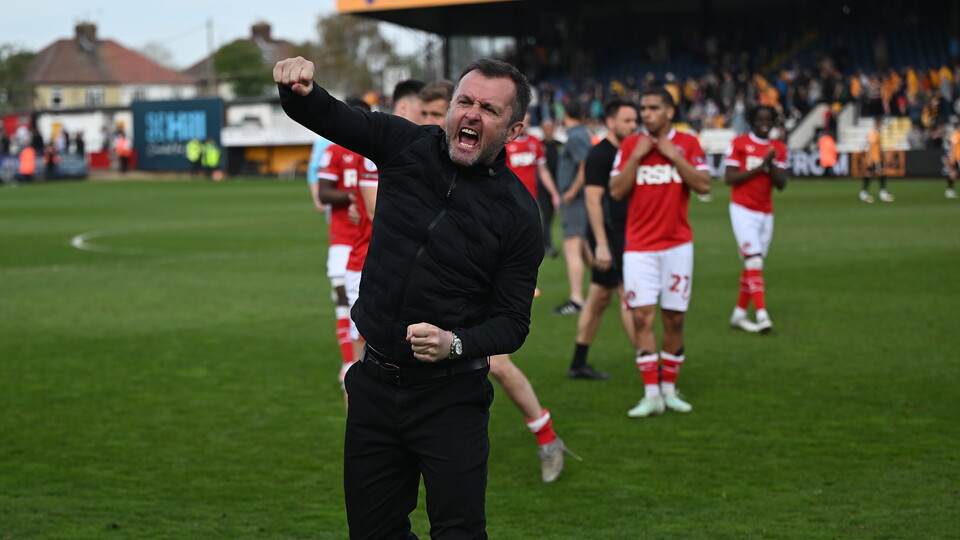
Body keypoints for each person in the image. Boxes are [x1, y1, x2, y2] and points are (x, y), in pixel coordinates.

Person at [275, 57, 544, 538]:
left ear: (514, 129)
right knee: (373, 532)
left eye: (488, 108)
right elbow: (329, 114)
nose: (470, 114)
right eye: (464, 101)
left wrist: (454, 342)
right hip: (374, 385)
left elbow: (512, 322)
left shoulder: (519, 215)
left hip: (451, 398)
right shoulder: (405, 145)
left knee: (457, 532)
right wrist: (298, 87)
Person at [420, 81, 573, 484]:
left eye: (439, 113)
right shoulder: (422, 159)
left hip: (479, 282)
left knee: (498, 365)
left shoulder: (497, 178)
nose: (435, 122)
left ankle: (547, 438)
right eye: (428, 114)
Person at [609, 87, 711, 418]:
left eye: (653, 108)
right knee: (641, 317)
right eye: (644, 108)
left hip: (677, 245)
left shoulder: (688, 143)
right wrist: (637, 157)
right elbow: (616, 191)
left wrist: (674, 156)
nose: (646, 113)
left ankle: (669, 389)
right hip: (639, 248)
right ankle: (651, 393)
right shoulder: (629, 146)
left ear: (670, 110)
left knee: (674, 318)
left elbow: (704, 185)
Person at [568, 99, 639, 380]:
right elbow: (593, 200)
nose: (633, 126)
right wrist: (602, 245)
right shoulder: (600, 155)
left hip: (625, 233)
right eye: (627, 121)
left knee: (598, 299)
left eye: (635, 121)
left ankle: (578, 363)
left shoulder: (633, 150)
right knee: (628, 297)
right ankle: (649, 363)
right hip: (610, 237)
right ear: (611, 122)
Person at [316, 99, 372, 389]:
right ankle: (347, 361)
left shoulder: (375, 152)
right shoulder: (334, 150)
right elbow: (324, 192)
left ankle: (364, 358)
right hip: (342, 234)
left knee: (366, 299)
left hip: (369, 237)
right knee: (341, 293)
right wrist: (351, 198)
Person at [723, 105, 788, 334]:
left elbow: (781, 184)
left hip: (765, 212)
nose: (764, 123)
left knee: (753, 265)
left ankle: (739, 314)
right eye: (760, 119)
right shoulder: (740, 143)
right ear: (752, 120)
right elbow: (729, 177)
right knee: (754, 261)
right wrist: (760, 167)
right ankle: (762, 316)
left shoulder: (778, 148)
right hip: (742, 209)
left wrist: (769, 164)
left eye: (768, 119)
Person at [553, 101, 593, 315]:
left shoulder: (576, 136)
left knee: (572, 248)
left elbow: (585, 167)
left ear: (565, 113)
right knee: (585, 248)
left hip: (575, 201)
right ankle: (607, 285)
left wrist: (570, 192)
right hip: (577, 200)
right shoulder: (580, 134)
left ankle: (576, 299)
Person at [538, 118, 562, 258]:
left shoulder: (560, 145)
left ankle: (547, 244)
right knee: (545, 216)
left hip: (558, 186)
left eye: (551, 128)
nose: (549, 130)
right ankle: (546, 245)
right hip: (543, 187)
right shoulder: (540, 146)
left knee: (551, 216)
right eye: (546, 128)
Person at [860, 117, 894, 203]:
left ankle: (864, 193)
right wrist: (869, 159)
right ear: (877, 124)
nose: (882, 125)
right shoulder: (873, 134)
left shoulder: (877, 134)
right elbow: (870, 146)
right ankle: (881, 194)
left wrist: (885, 155)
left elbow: (878, 147)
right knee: (880, 173)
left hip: (876, 158)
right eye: (881, 124)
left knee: (870, 174)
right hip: (874, 159)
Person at [945, 125, 959, 199]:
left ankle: (949, 190)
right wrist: (952, 157)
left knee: (954, 174)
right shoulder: (955, 134)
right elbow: (952, 147)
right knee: (953, 174)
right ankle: (949, 190)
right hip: (957, 158)